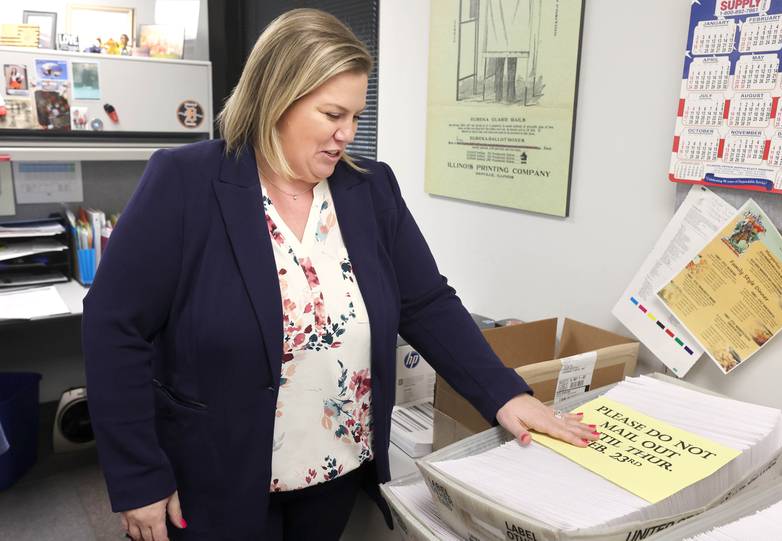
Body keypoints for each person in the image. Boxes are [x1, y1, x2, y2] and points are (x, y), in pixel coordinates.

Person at [82, 8, 598, 541]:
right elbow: (113, 326)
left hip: (336, 467)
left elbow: (426, 302)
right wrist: (138, 475)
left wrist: (504, 393)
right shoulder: (185, 182)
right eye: (332, 114)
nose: (347, 133)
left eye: (356, 115)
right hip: (214, 474)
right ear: (276, 98)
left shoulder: (369, 189)